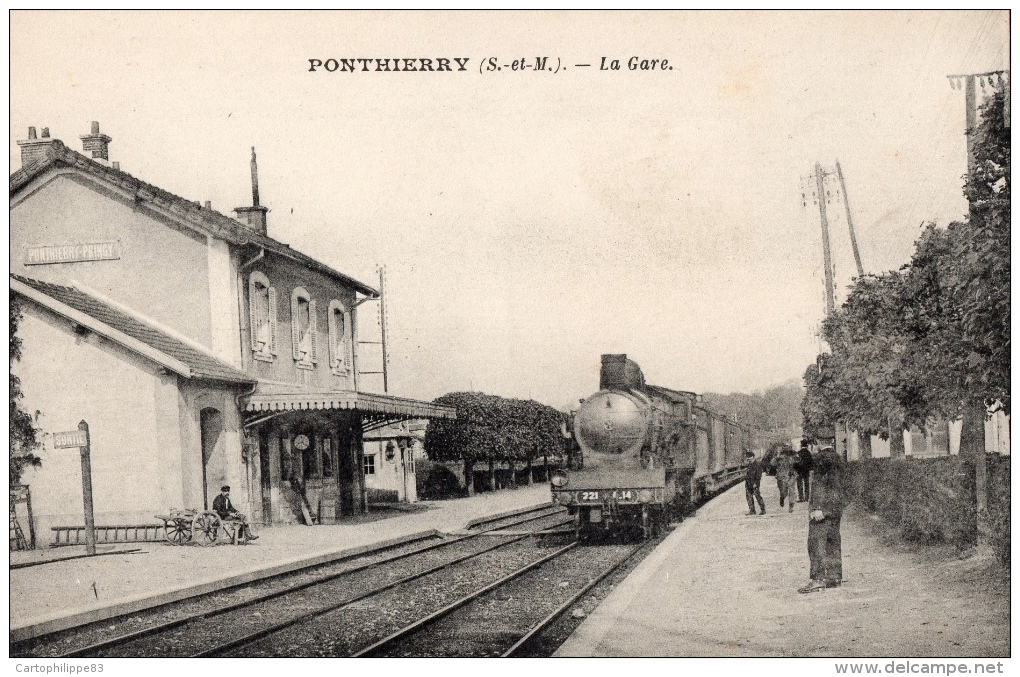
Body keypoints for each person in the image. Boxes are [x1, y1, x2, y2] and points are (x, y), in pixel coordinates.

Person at [798, 446, 846, 593]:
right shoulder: (839, 458)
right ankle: (834, 577)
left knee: (816, 542)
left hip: (822, 510)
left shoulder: (820, 458)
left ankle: (817, 579)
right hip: (835, 508)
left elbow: (819, 484)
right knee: (833, 541)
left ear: (818, 442)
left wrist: (818, 507)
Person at [775, 447, 798, 513]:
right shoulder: (780, 457)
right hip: (782, 477)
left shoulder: (793, 456)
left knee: (792, 491)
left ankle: (791, 506)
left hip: (791, 476)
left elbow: (799, 462)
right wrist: (777, 456)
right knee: (783, 492)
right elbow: (772, 463)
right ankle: (782, 498)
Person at [743, 450, 766, 515]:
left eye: (749, 457)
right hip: (748, 483)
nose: (747, 458)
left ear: (753, 457)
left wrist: (756, 483)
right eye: (747, 457)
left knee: (757, 496)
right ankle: (752, 511)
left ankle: (763, 510)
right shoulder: (749, 464)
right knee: (749, 497)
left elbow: (759, 475)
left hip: (754, 484)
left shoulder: (757, 464)